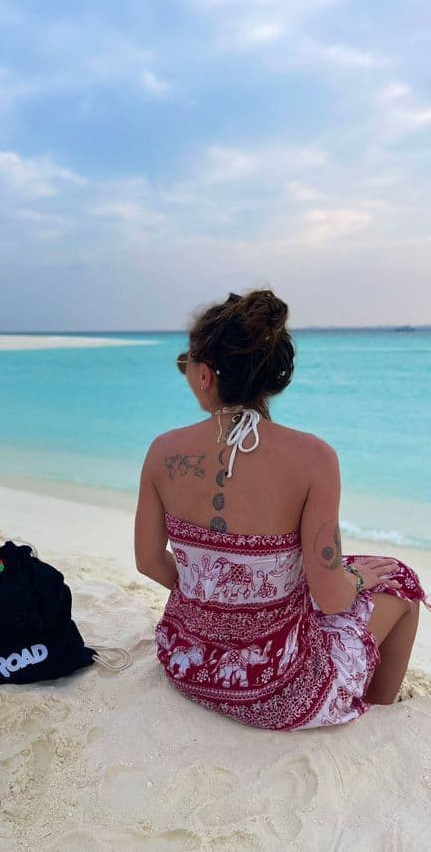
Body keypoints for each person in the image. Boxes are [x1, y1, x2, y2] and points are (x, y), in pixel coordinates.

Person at [134, 289, 428, 729]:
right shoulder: (313, 458)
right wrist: (357, 576)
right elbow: (331, 597)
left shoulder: (163, 452)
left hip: (186, 663)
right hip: (278, 691)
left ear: (203, 376)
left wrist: (211, 598)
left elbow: (149, 561)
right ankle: (377, 717)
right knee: (400, 580)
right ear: (273, 377)